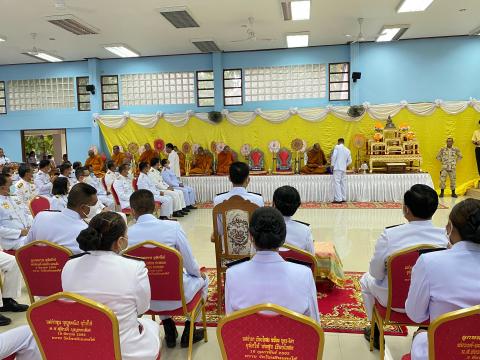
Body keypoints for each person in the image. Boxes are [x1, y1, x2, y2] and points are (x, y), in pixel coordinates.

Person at [0, 211, 162, 359]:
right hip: (122, 351)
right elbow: (142, 308)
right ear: (120, 241)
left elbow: (72, 306)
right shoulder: (135, 267)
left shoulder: (69, 265)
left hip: (81, 343)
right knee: (151, 325)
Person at [360, 184, 448, 349]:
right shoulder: (445, 236)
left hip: (394, 301)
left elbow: (376, 273)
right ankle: (424, 328)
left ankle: (376, 329)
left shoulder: (390, 235)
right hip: (431, 303)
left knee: (365, 279)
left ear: (406, 210)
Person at [128, 190, 207, 348]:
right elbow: (189, 261)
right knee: (202, 280)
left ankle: (168, 326)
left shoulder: (127, 233)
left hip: (146, 300)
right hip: (178, 298)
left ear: (132, 211)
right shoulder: (173, 227)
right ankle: (189, 329)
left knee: (154, 278)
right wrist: (199, 275)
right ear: (156, 207)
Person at [406, 198, 480, 360]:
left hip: (443, 352)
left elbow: (415, 315)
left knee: (421, 337)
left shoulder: (430, 262)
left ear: (450, 227)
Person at [225, 207, 320, 323]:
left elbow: (230, 323)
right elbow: (314, 327)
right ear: (284, 237)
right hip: (290, 340)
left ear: (250, 237)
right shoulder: (304, 274)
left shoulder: (233, 274)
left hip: (249, 340)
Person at [25, 182, 97, 254]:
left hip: (37, 262)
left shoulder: (41, 216)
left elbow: (27, 245)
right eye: (94, 204)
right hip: (70, 265)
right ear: (83, 207)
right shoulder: (86, 231)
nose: (95, 207)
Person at [272, 185, 314, 254]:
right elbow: (311, 257)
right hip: (297, 264)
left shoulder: (262, 228)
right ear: (297, 206)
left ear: (274, 204)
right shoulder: (305, 230)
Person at [0, 174, 33, 250]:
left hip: (26, 234)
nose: (13, 187)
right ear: (2, 187)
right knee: (40, 242)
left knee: (46, 235)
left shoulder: (15, 198)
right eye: (11, 185)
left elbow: (25, 215)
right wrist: (20, 232)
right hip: (12, 240)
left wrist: (31, 225)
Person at [331, 138, 352, 203]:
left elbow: (334, 156)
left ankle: (338, 199)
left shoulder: (337, 147)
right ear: (343, 142)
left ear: (338, 142)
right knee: (343, 183)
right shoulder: (347, 150)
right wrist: (345, 165)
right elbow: (350, 161)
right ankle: (343, 198)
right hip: (343, 169)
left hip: (337, 168)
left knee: (337, 183)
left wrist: (332, 164)